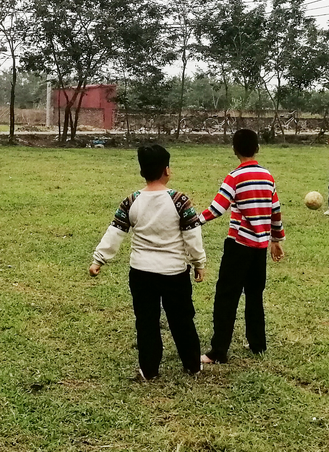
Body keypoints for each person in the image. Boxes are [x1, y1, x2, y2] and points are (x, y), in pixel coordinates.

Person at [89, 144, 206, 380]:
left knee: (146, 321)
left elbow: (115, 232)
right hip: (174, 272)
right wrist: (198, 263)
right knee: (182, 318)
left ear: (142, 171)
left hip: (141, 273)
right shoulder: (180, 201)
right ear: (167, 170)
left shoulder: (131, 201)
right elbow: (193, 235)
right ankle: (192, 364)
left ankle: (149, 369)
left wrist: (98, 259)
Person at [198, 129, 285, 364]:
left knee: (226, 297)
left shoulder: (235, 176)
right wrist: (276, 240)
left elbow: (217, 208)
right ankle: (258, 344)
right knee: (255, 295)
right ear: (257, 148)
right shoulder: (267, 176)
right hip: (259, 248)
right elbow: (275, 211)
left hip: (238, 246)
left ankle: (218, 351)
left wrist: (194, 220)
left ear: (234, 149)